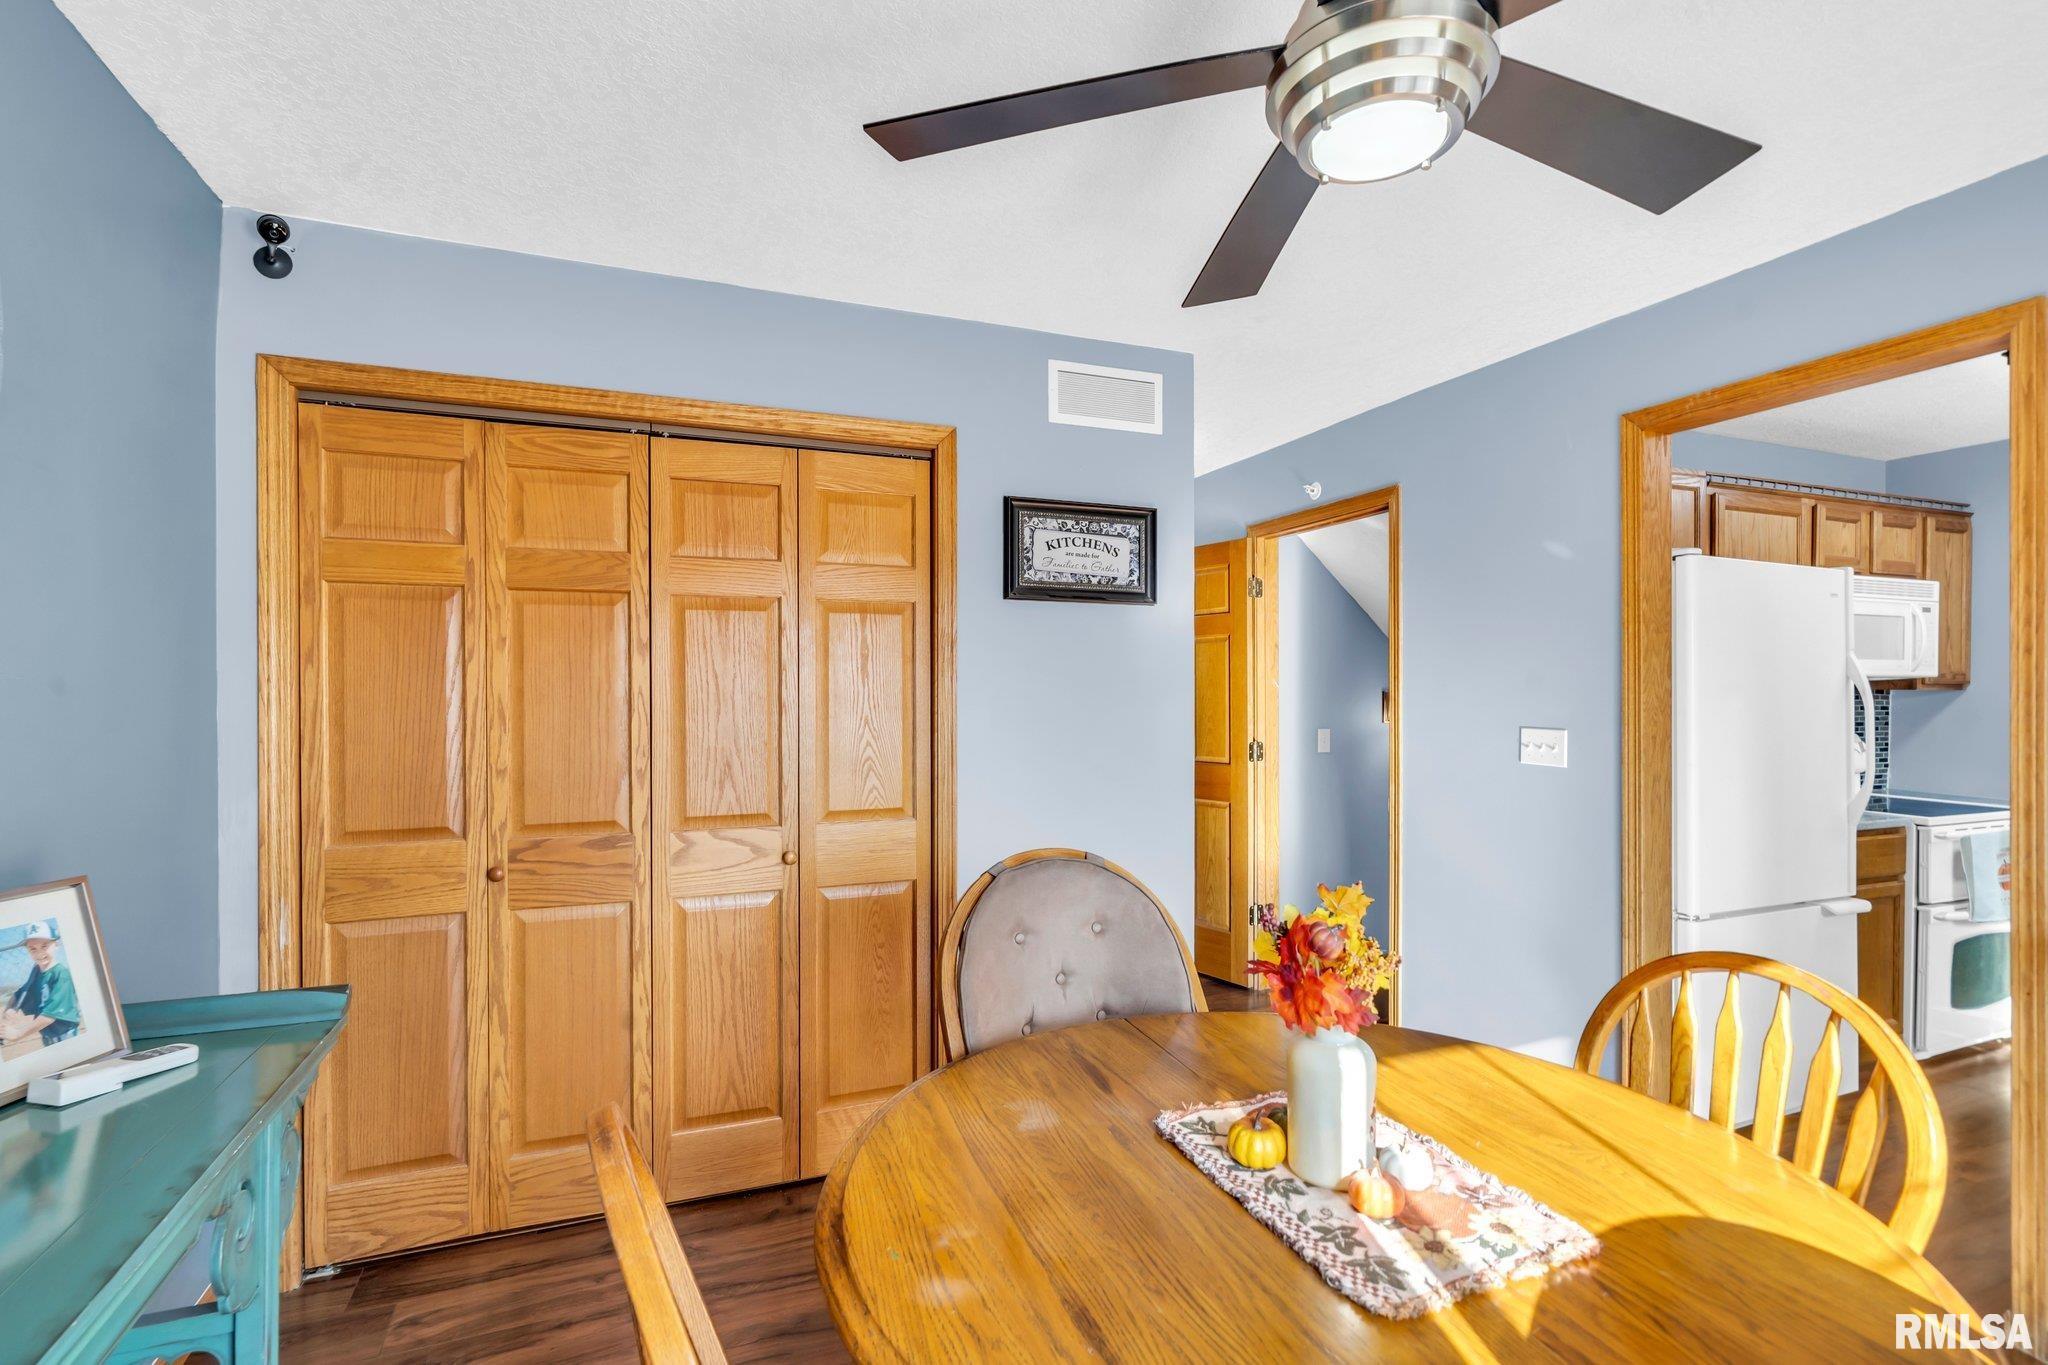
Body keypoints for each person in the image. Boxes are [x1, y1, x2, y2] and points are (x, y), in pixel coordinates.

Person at [0, 921, 81, 1046]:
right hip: (48, 1037)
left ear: (56, 945)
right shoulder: (37, 971)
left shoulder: (61, 974)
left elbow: (49, 1017)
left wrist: (17, 1034)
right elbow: (19, 994)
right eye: (33, 949)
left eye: (44, 946)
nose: (39, 953)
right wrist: (10, 1009)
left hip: (66, 1037)